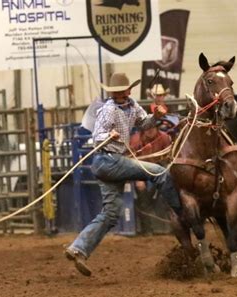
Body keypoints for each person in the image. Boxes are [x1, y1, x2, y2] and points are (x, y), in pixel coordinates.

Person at [64, 73, 182, 276]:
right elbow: (97, 135)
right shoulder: (109, 110)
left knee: (111, 214)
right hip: (109, 160)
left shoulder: (132, 105)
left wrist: (156, 117)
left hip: (109, 165)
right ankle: (182, 214)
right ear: (122, 91)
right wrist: (108, 135)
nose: (125, 92)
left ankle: (79, 248)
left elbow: (144, 123)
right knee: (159, 172)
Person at [129, 119, 172, 235]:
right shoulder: (135, 140)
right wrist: (138, 178)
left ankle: (172, 226)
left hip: (159, 170)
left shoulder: (164, 138)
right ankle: (147, 229)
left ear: (157, 128)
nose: (150, 130)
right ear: (143, 129)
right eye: (147, 128)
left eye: (152, 127)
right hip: (142, 171)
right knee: (143, 197)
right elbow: (131, 161)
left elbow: (168, 159)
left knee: (170, 193)